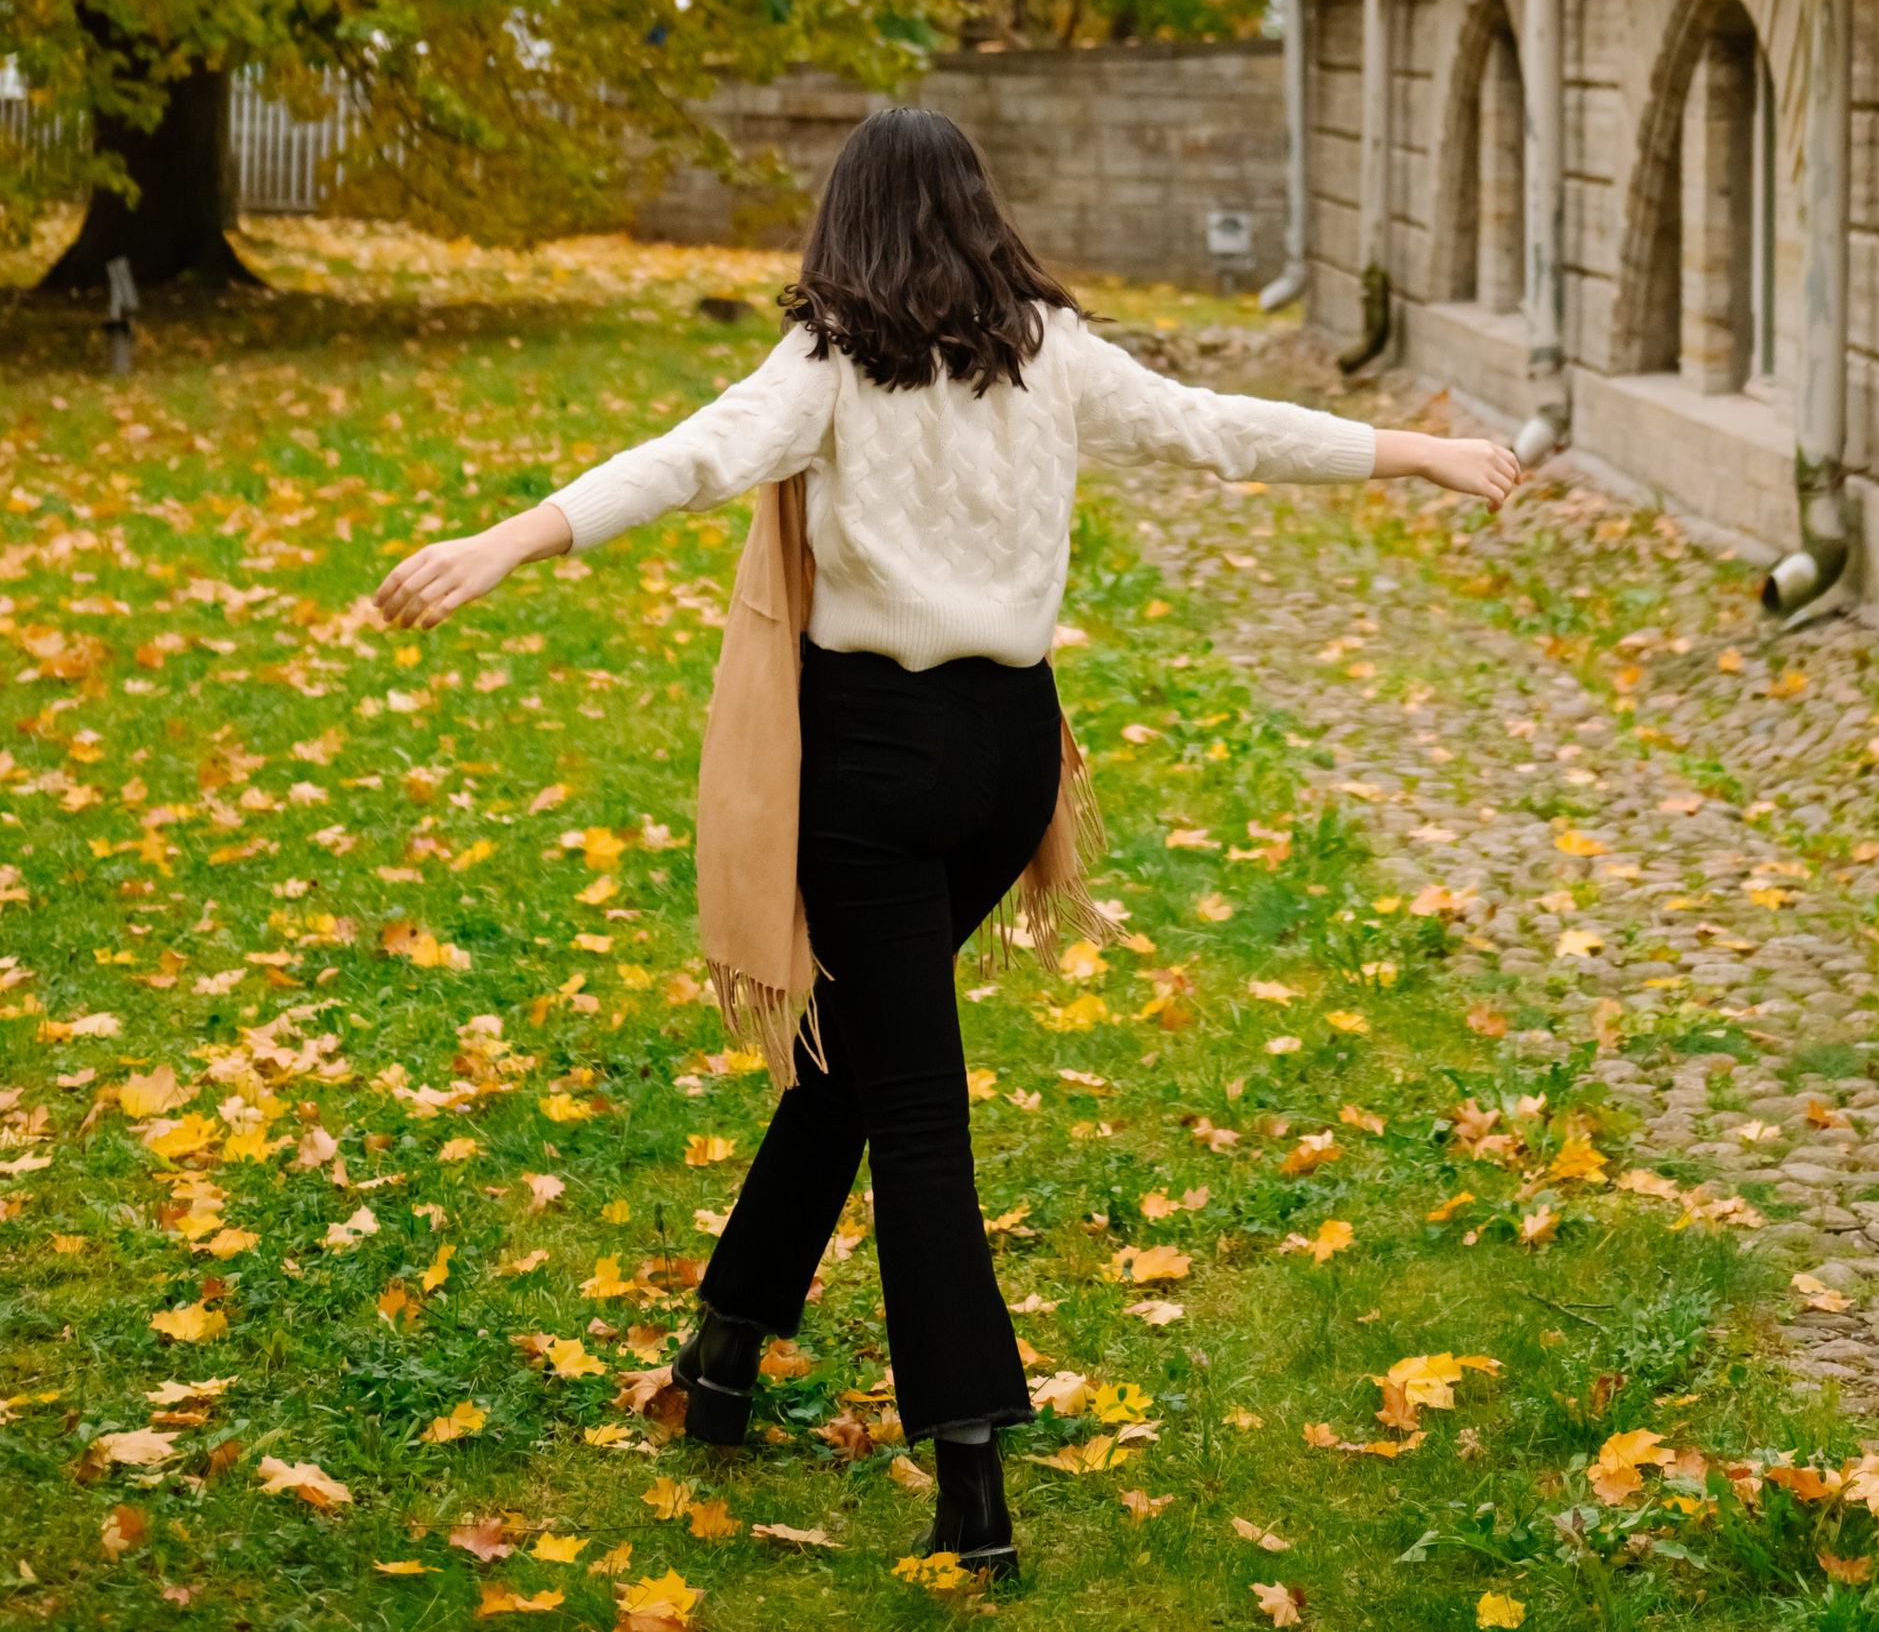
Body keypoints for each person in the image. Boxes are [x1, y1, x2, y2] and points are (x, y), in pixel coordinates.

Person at [374, 105, 1521, 1580]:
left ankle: (969, 1471)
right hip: (1006, 771)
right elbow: (1220, 431)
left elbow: (693, 458)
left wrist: (510, 540)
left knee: (912, 1106)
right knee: (867, 1056)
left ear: (845, 220)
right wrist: (1417, 454)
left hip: (876, 770)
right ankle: (725, 1349)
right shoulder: (1048, 352)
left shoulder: (830, 364)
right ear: (981, 210)